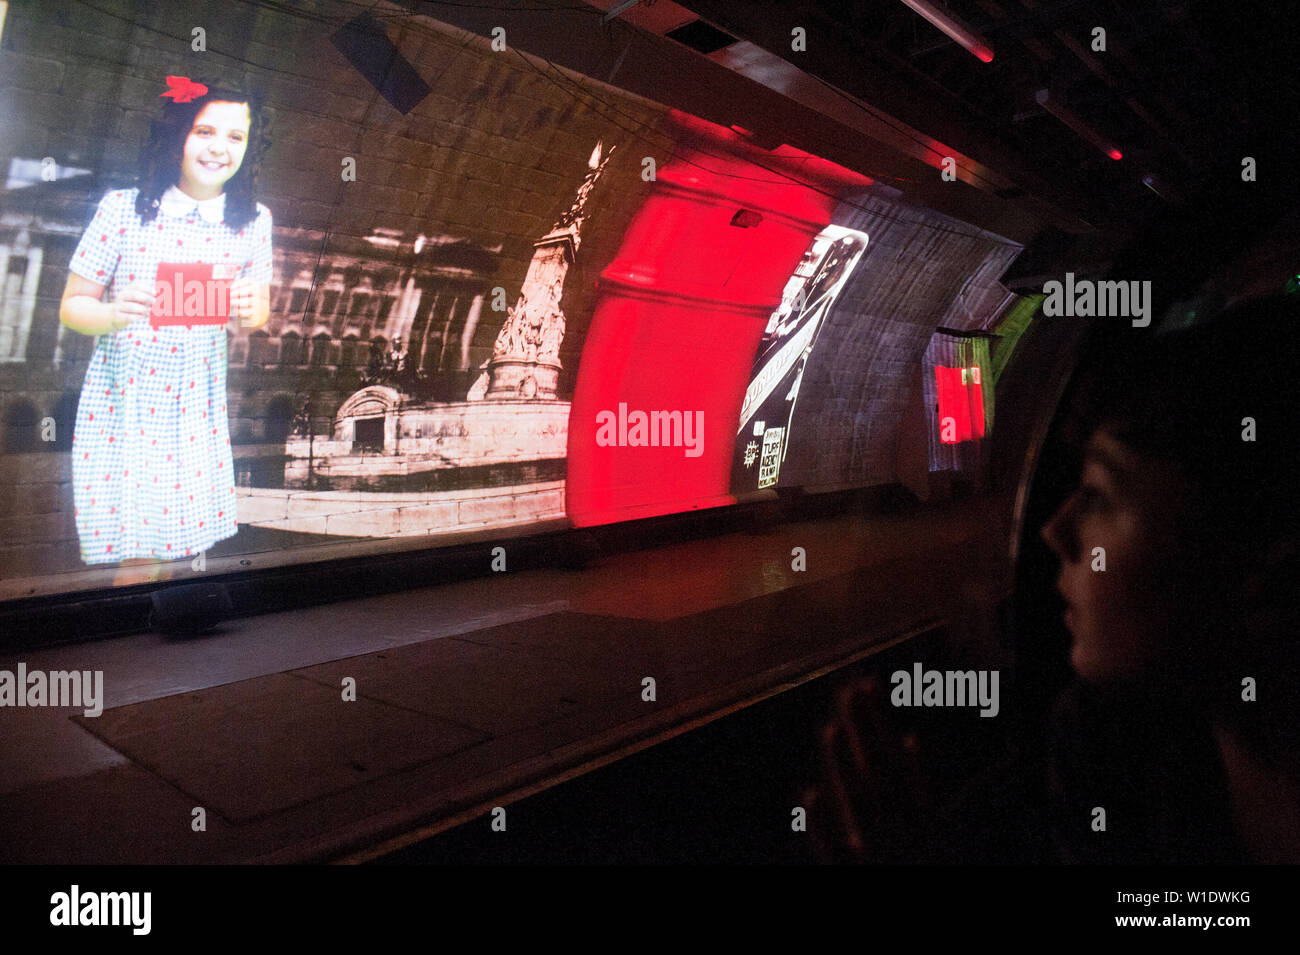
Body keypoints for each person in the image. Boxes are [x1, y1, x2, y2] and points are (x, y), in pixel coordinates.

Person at [806, 295, 1300, 864]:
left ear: (1261, 561)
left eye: (1099, 495)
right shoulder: (1099, 745)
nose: (1054, 533)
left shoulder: (1118, 760)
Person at [59, 77, 272, 586]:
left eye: (235, 136)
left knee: (182, 547)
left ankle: (169, 639)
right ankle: (134, 638)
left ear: (249, 147)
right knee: (139, 549)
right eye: (204, 131)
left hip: (195, 406)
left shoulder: (253, 221)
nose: (219, 147)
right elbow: (71, 306)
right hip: (127, 403)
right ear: (178, 135)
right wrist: (111, 314)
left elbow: (258, 310)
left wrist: (251, 309)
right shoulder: (123, 209)